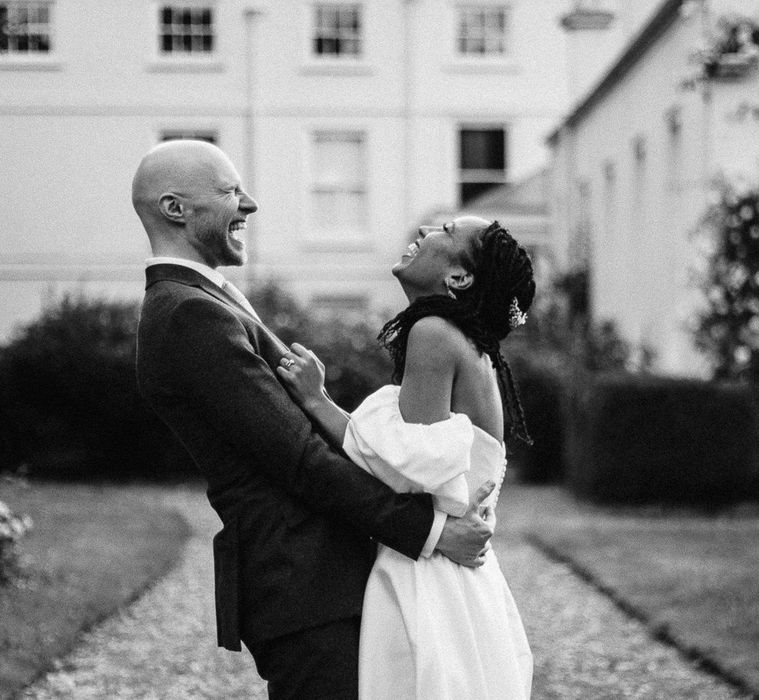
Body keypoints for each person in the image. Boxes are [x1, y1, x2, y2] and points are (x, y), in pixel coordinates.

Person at [132, 140, 494, 700]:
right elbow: (299, 458)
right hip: (303, 582)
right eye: (230, 192)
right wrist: (431, 533)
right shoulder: (187, 313)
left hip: (321, 578)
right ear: (176, 209)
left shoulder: (206, 300)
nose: (248, 204)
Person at [279, 216, 535, 699]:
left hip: (429, 580)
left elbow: (402, 470)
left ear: (459, 278)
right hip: (462, 579)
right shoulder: (469, 348)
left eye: (445, 230)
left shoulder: (434, 332)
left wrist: (316, 401)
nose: (424, 230)